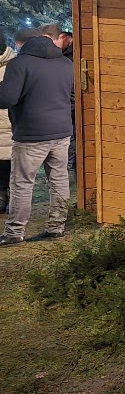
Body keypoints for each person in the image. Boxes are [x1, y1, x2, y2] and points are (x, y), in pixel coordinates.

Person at [0, 25, 73, 244]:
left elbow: (6, 99)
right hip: (61, 131)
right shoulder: (65, 62)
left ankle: (14, 232)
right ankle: (57, 227)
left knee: (22, 183)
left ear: (20, 44)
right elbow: (70, 96)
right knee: (59, 179)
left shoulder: (19, 64)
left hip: (31, 133)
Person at [0, 33, 15, 214]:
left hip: (10, 123)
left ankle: (11, 197)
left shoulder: (14, 66)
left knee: (11, 163)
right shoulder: (15, 64)